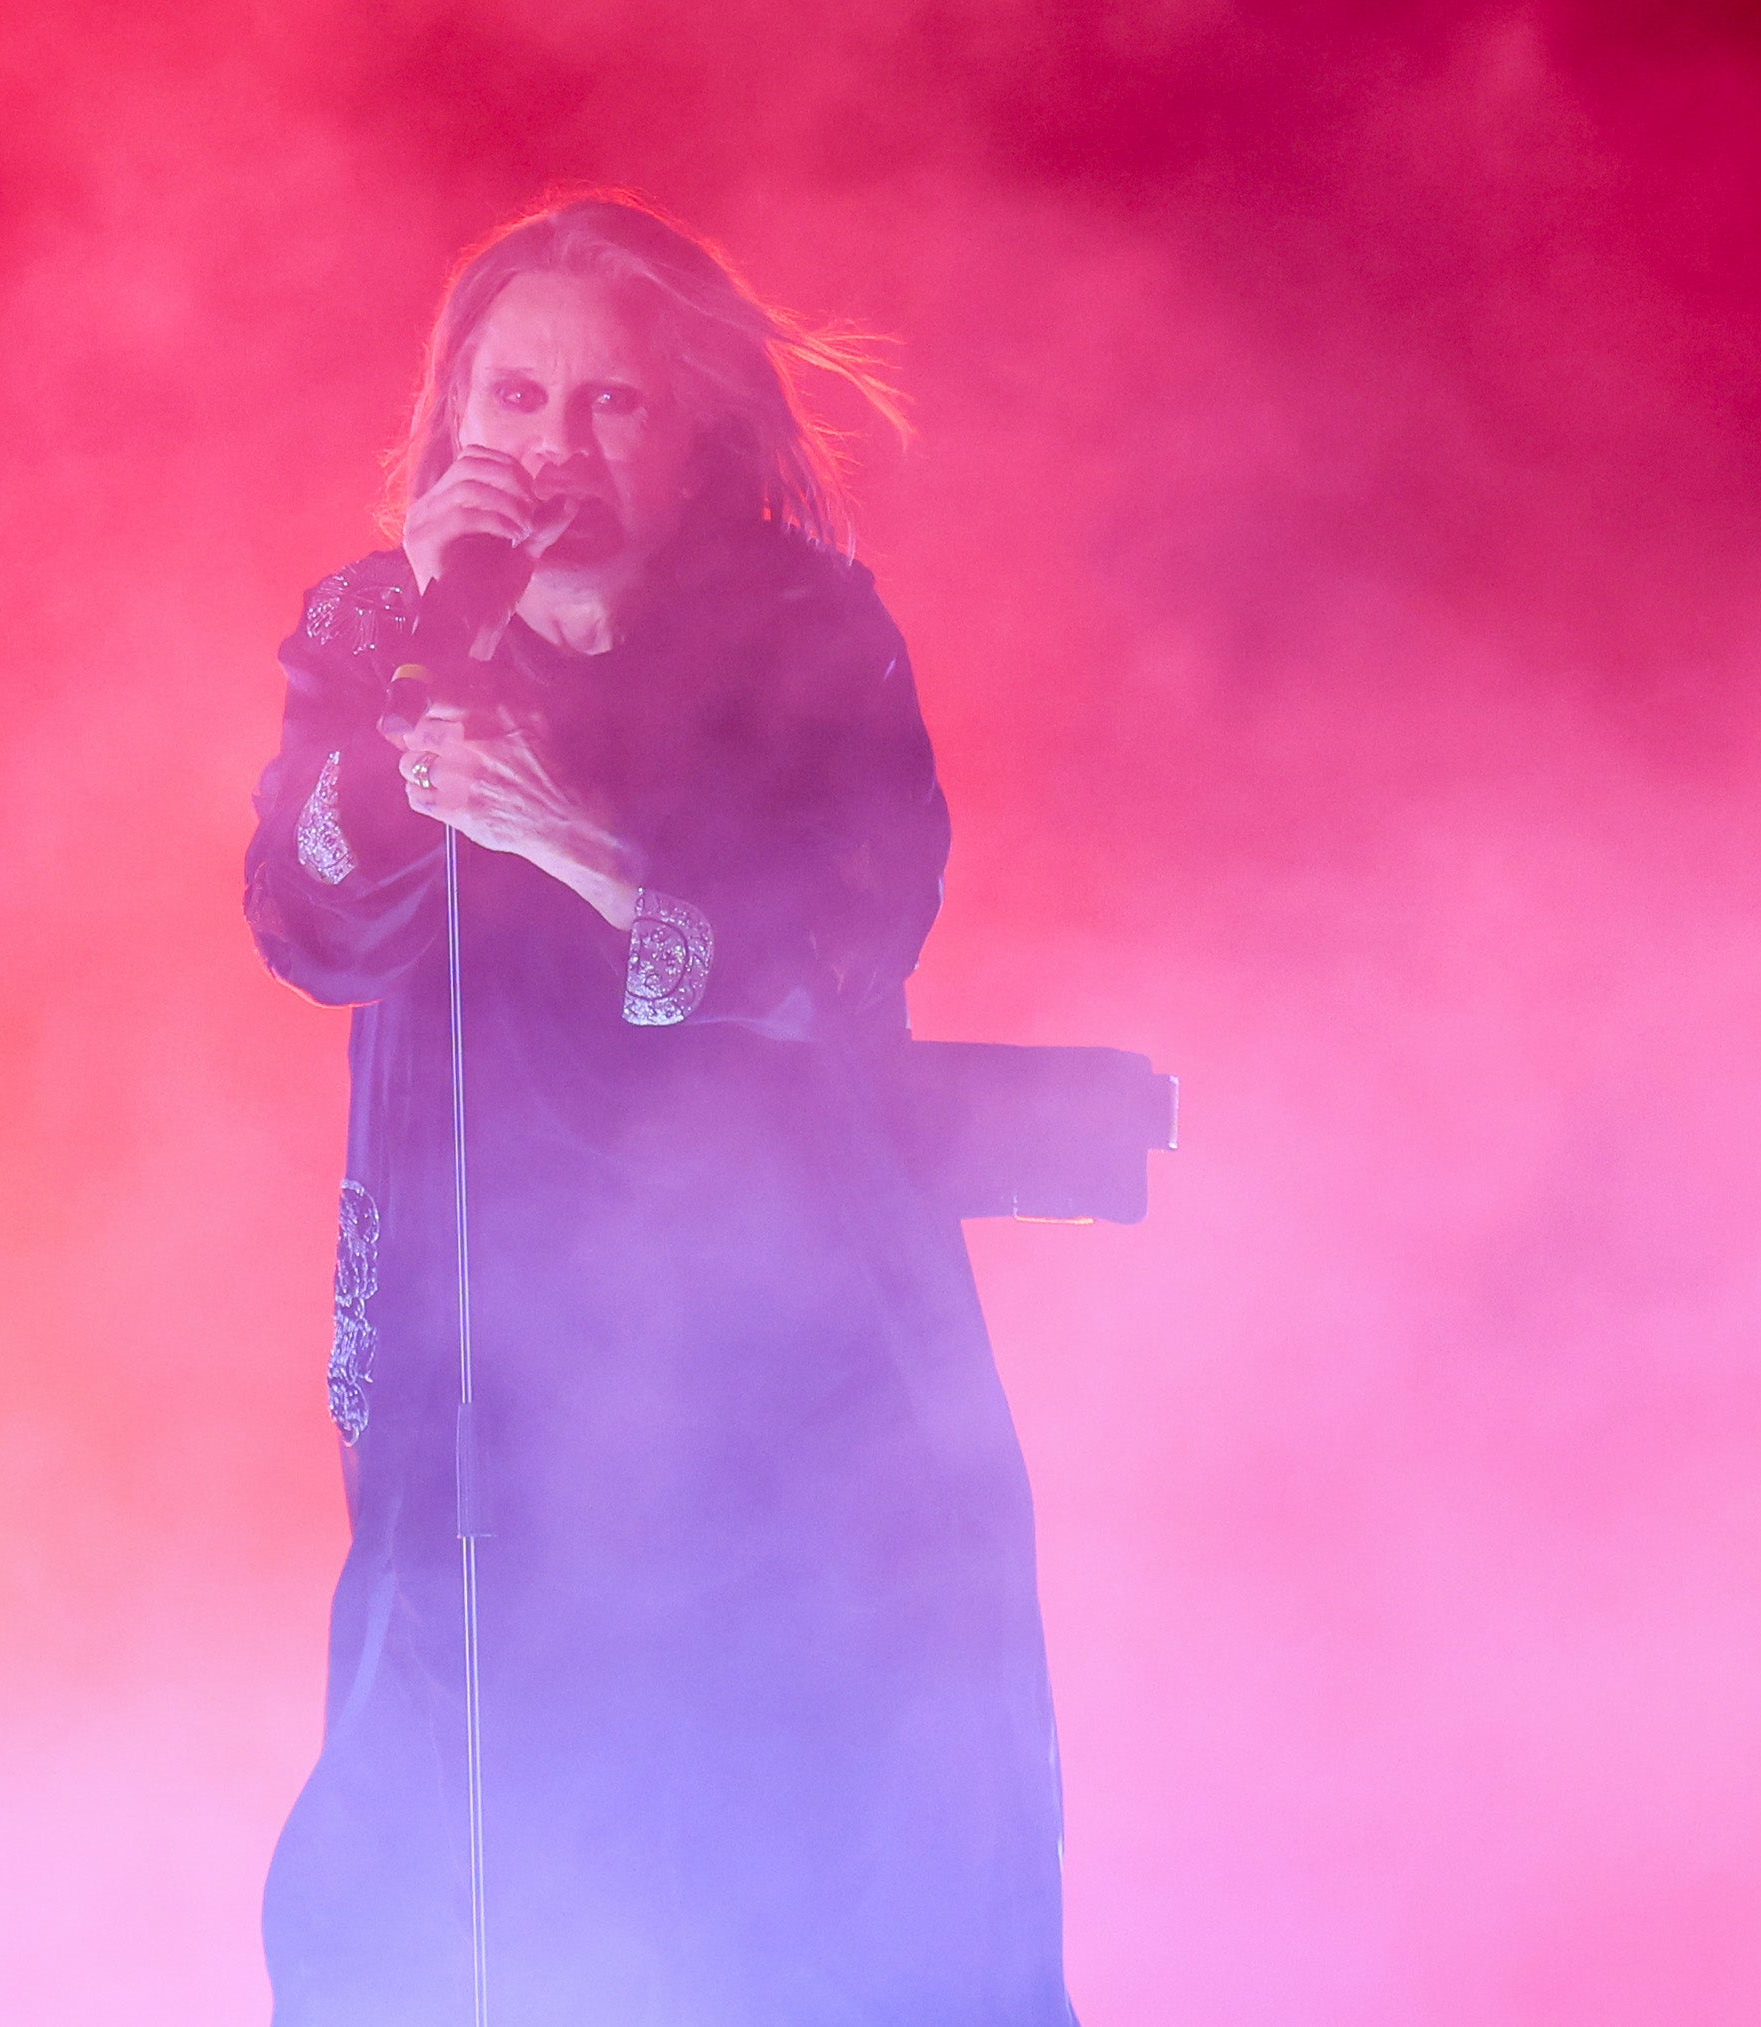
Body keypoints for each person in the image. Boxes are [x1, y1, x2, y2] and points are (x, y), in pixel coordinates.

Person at [245, 194, 1079, 2027]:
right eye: (516, 400)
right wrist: (400, 705)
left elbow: (846, 943)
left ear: (698, 429)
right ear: (453, 417)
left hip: (785, 1351)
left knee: (808, 1831)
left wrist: (587, 845)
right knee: (451, 1832)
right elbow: (308, 922)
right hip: (483, 1352)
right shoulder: (378, 627)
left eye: (608, 406)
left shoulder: (806, 635)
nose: (550, 450)